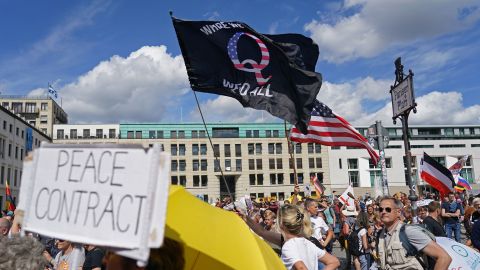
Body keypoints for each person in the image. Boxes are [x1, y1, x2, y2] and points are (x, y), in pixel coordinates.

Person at [377, 196, 451, 269]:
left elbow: (444, 258)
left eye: (388, 209)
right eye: (380, 209)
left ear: (398, 212)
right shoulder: (381, 235)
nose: (383, 212)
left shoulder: (409, 231)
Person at [278, 204, 340, 270]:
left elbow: (301, 267)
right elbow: (334, 261)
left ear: (281, 223)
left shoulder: (288, 246)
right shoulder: (307, 242)